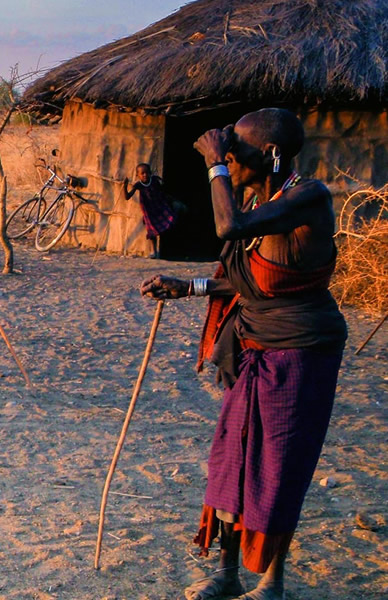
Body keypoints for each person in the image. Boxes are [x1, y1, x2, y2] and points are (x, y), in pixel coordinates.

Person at [141, 108, 346, 600]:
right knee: (232, 460)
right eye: (226, 158)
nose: (229, 164)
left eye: (236, 156)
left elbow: (226, 226)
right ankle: (229, 573)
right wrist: (187, 286)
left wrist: (213, 164)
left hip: (301, 352)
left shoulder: (306, 198)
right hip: (253, 348)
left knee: (279, 465)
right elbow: (246, 277)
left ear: (271, 153)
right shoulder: (264, 207)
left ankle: (272, 583)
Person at [123, 163, 175, 257]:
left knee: (170, 219)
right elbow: (127, 197)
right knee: (152, 231)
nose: (145, 175)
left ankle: (168, 249)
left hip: (159, 206)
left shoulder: (154, 180)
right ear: (137, 175)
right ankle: (154, 251)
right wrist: (124, 186)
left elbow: (162, 191)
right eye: (142, 173)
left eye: (147, 172)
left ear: (150, 173)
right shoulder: (138, 185)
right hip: (148, 211)